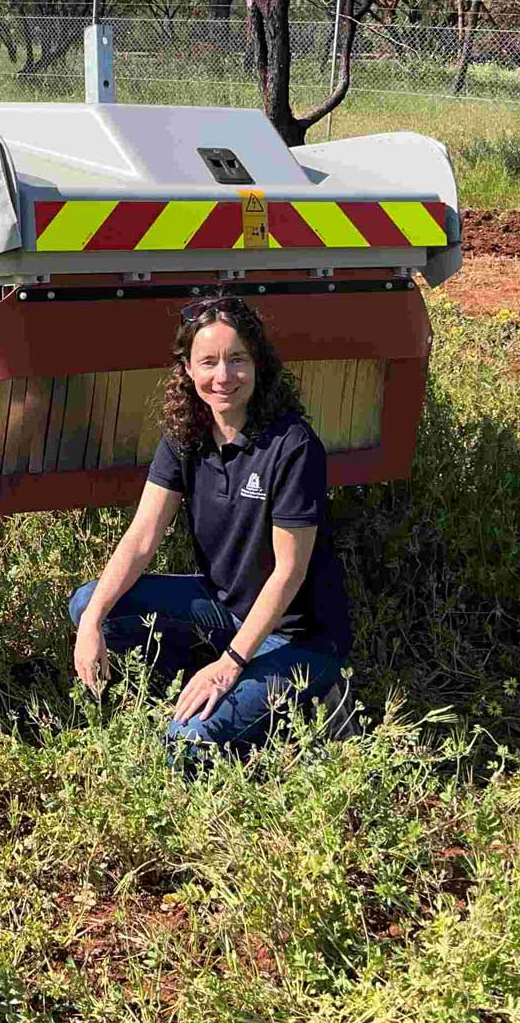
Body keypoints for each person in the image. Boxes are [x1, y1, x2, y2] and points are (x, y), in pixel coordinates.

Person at [68, 293, 356, 762]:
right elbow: (141, 539)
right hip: (224, 611)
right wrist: (95, 621)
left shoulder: (293, 446)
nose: (223, 376)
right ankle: (204, 688)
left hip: (298, 637)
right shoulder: (185, 435)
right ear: (187, 369)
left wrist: (229, 665)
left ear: (258, 364)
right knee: (87, 604)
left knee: (187, 745)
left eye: (237, 359)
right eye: (209, 361)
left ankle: (312, 695)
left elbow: (288, 572)